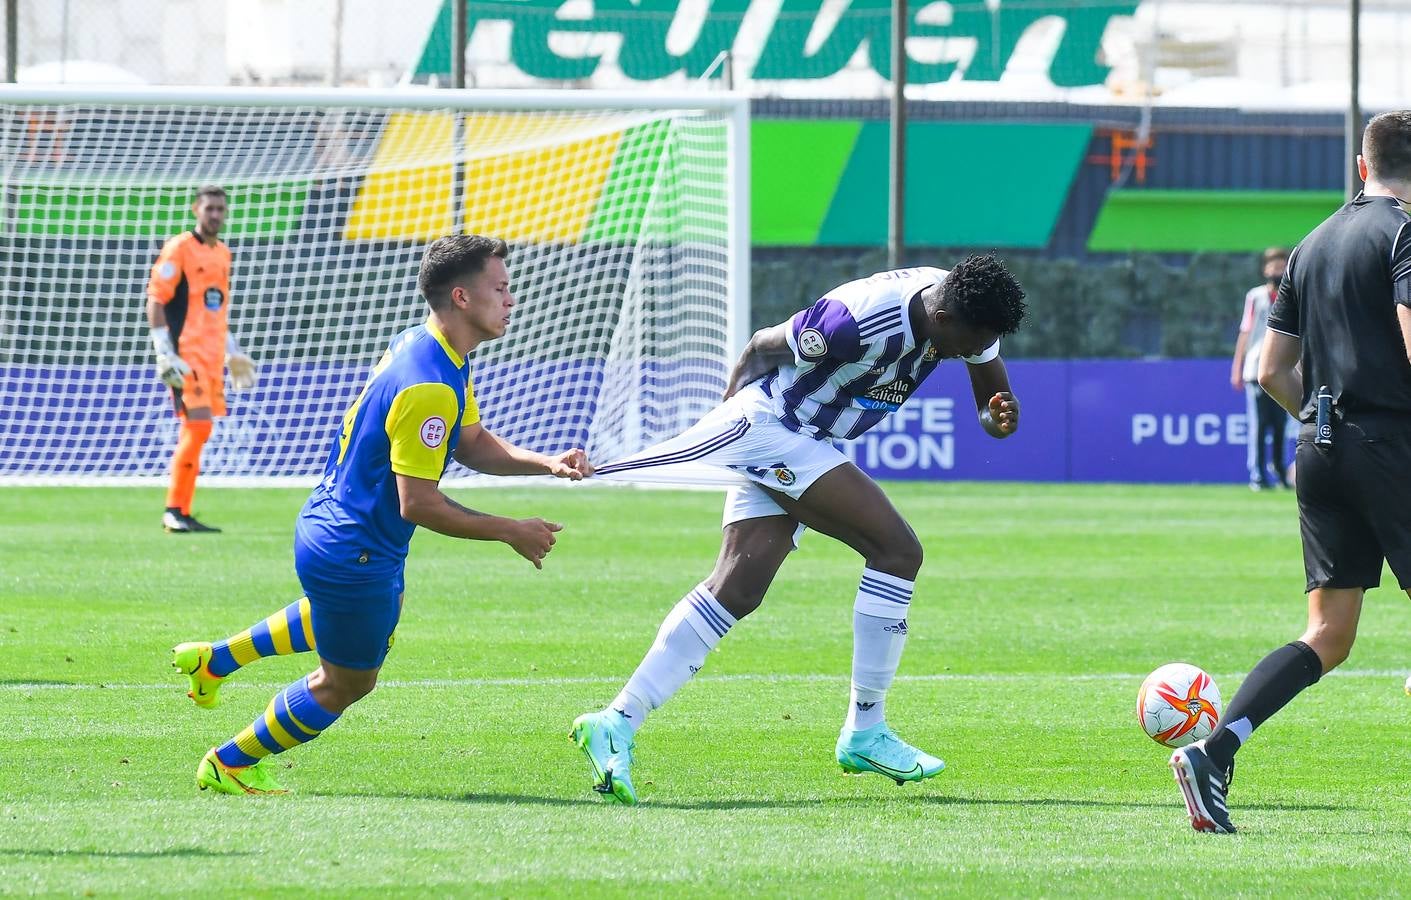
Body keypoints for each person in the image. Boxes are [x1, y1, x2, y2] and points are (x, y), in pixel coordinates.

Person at [572, 256, 1027, 804]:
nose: (973, 352)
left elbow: (989, 404)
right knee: (896, 551)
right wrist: (736, 427)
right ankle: (866, 729)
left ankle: (614, 721)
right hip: (772, 428)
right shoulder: (853, 322)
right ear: (945, 317)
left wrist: (997, 418)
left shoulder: (968, 312)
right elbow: (760, 347)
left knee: (736, 590)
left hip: (810, 439)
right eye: (969, 343)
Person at [169, 234, 590, 795]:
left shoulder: (429, 347)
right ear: (462, 298)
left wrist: (546, 463)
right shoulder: (430, 386)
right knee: (347, 682)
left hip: (332, 526)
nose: (511, 299)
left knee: (342, 620)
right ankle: (230, 762)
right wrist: (509, 530)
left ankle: (215, 662)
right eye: (501, 287)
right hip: (355, 550)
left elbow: (470, 443)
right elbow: (416, 502)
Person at [1170, 111, 1411, 834]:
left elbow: (1268, 368)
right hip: (1390, 444)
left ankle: (1214, 751)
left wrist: (1323, 417)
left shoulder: (1309, 245)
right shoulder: (1402, 233)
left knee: (1327, 636)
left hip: (1319, 446)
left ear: (1360, 167)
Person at [145, 185, 258, 533]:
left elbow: (216, 310)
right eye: (209, 208)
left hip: (211, 359)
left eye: (220, 209)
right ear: (196, 209)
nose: (215, 215)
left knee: (201, 429)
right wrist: (164, 352)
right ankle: (174, 509)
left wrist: (233, 350)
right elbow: (156, 300)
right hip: (185, 357)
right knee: (197, 426)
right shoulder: (179, 248)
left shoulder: (223, 254)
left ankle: (180, 510)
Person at [1230, 247, 1291, 490]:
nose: (1277, 271)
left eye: (1282, 266)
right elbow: (1245, 332)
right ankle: (1257, 473)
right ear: (1265, 269)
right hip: (1256, 368)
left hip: (1283, 368)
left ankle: (1278, 469)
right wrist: (1238, 366)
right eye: (1273, 266)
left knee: (1279, 425)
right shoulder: (1255, 297)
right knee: (1259, 424)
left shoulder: (1291, 294)